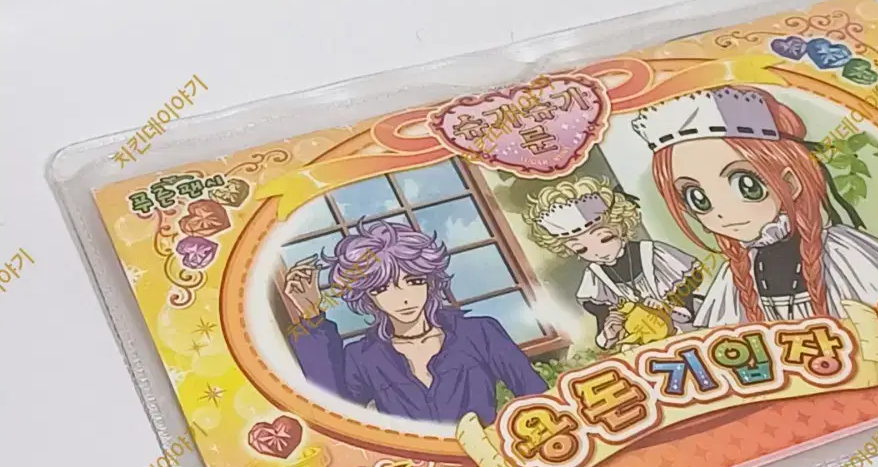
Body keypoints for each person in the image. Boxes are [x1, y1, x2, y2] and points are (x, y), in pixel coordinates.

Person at [632, 85, 878, 326]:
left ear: (790, 182)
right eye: (698, 198)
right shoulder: (737, 273)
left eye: (746, 184)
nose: (723, 212)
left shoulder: (843, 253)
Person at [282, 219, 546, 425]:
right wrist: (311, 315)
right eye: (382, 288)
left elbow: (538, 399)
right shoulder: (363, 357)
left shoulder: (480, 333)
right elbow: (334, 412)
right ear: (367, 296)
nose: (404, 297)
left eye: (414, 281)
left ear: (430, 282)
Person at [523, 175, 702, 350]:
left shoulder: (653, 253)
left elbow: (689, 294)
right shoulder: (595, 277)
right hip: (648, 344)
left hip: (692, 333)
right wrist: (610, 333)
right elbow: (604, 322)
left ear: (621, 227)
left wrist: (669, 306)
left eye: (605, 239)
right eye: (581, 250)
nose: (598, 253)